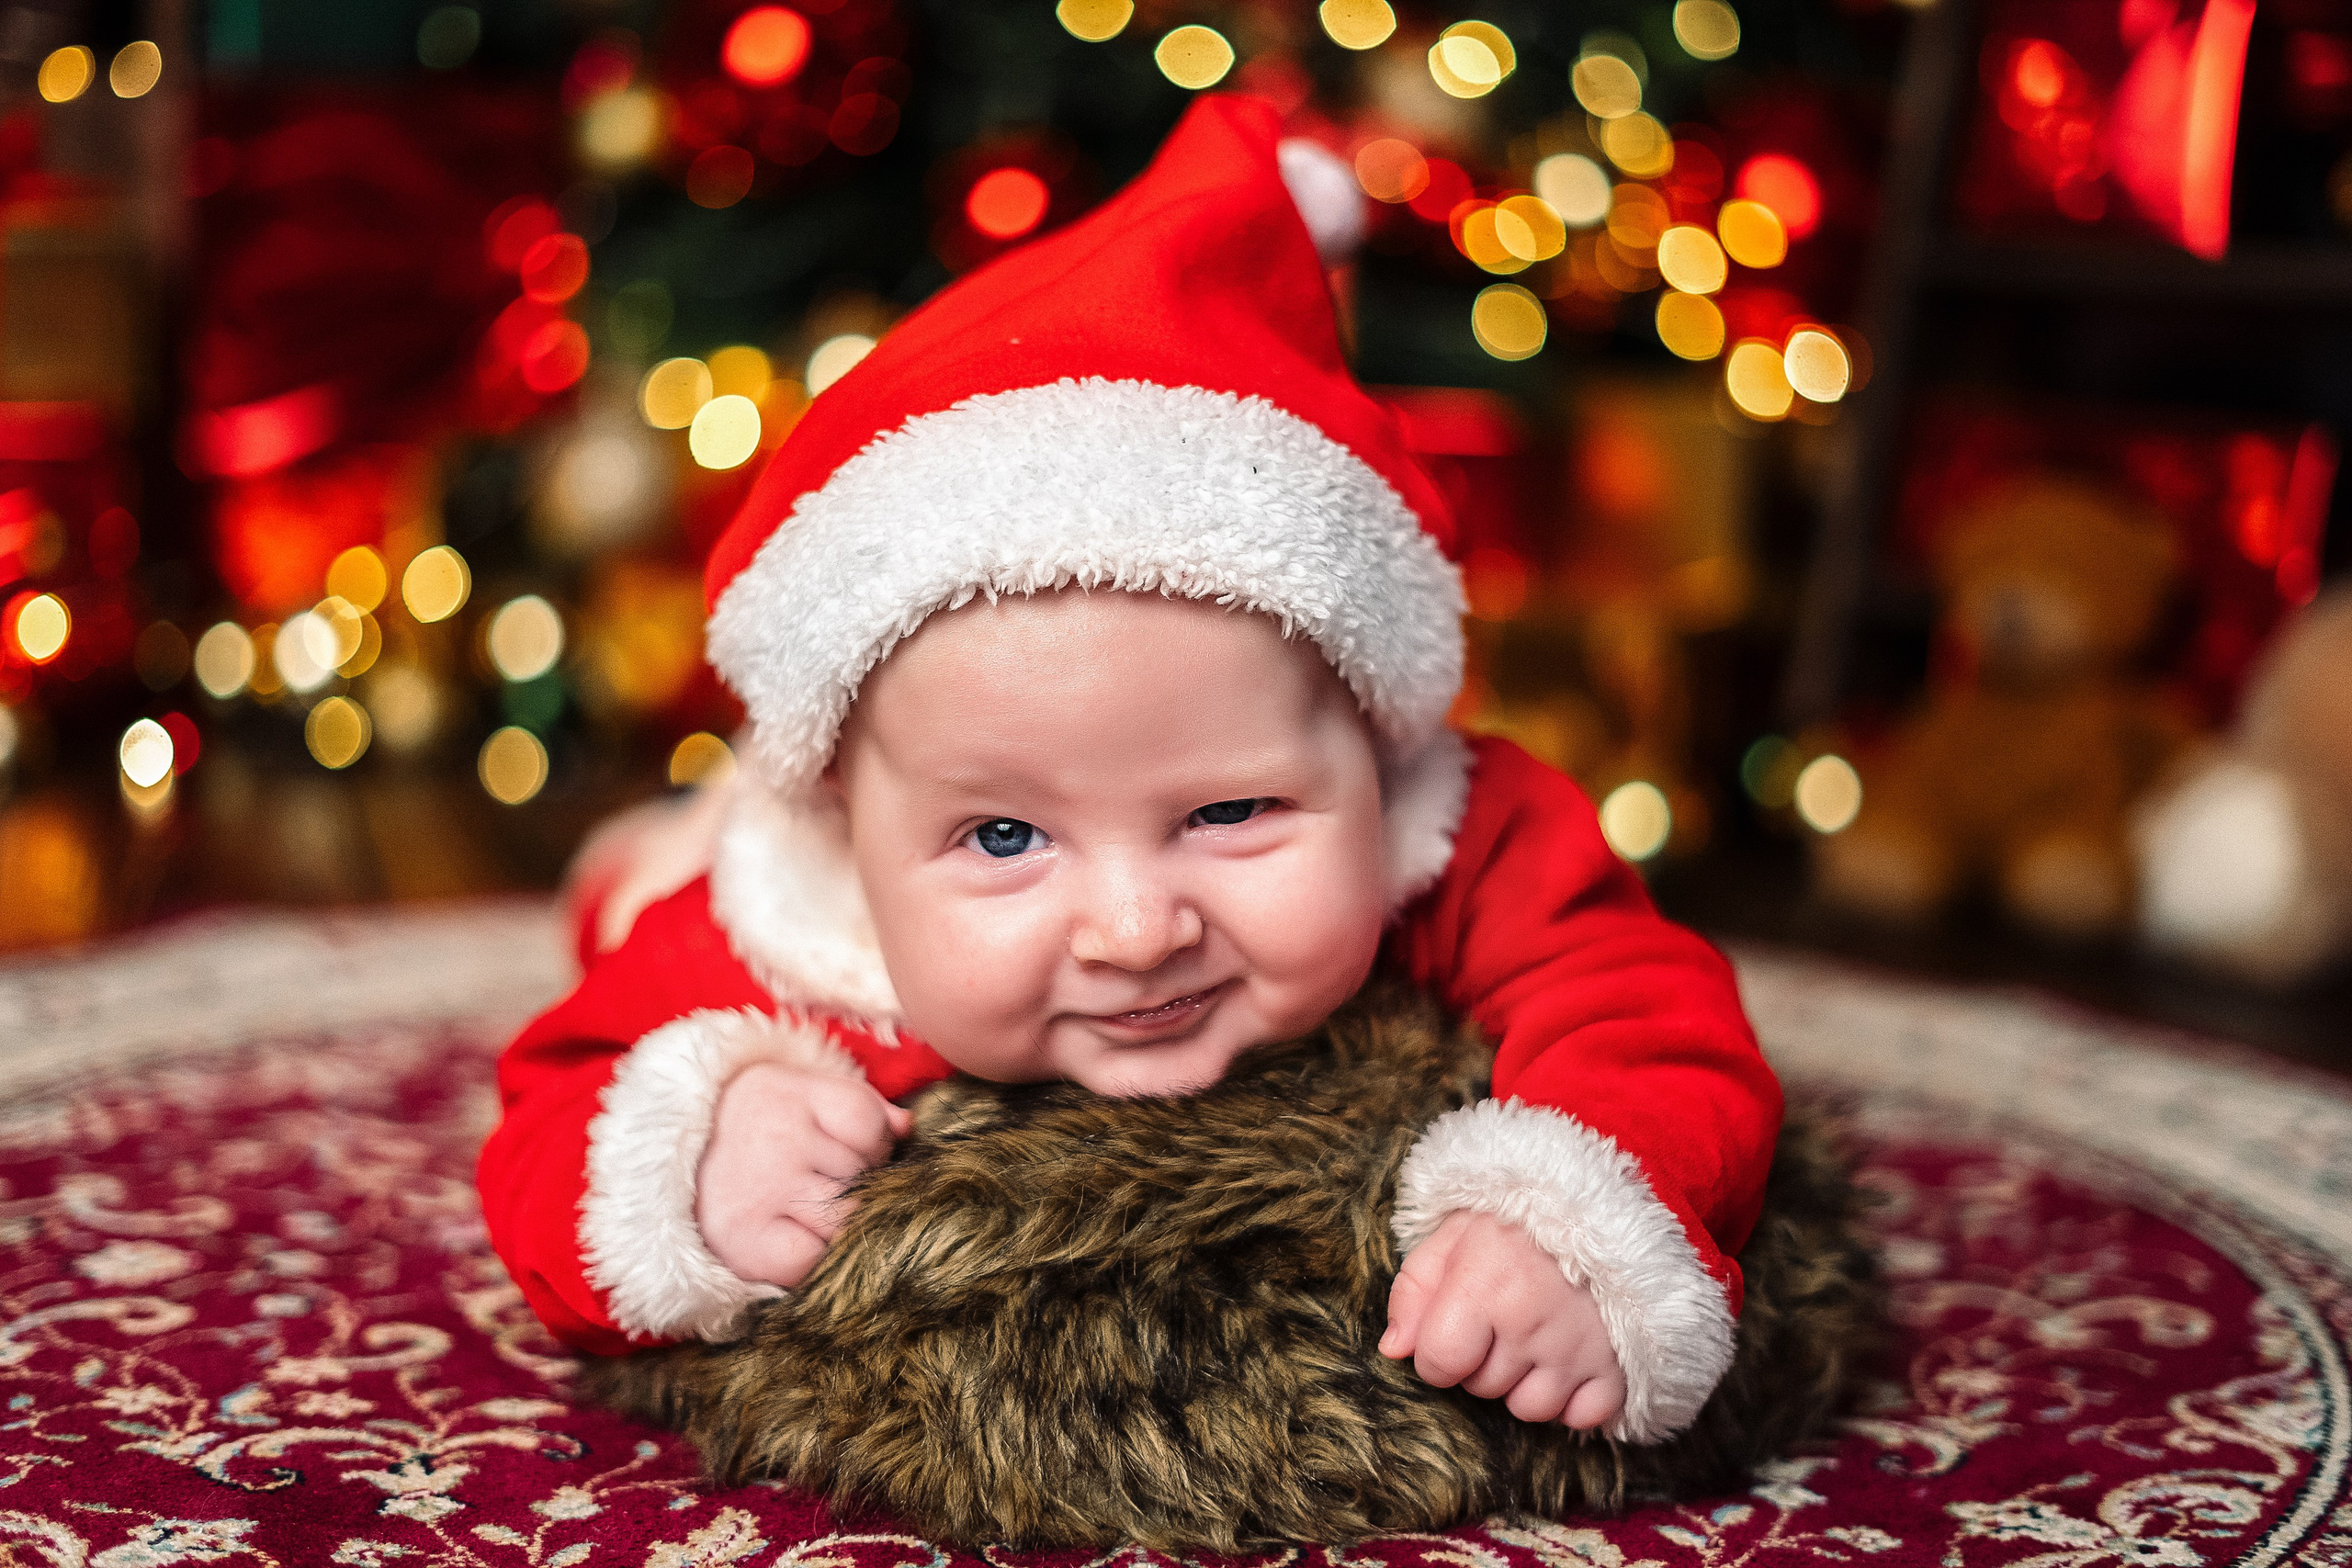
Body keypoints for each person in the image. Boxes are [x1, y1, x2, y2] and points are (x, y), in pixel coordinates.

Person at [479, 94, 1780, 1449]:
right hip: (718, 837)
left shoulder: (1467, 821)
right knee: (638, 897)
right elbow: (549, 1121)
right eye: (1002, 839)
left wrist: (1576, 1225)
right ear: (847, 823)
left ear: (1373, 736)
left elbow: (1647, 1004)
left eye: (1226, 812)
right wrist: (690, 1160)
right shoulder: (790, 910)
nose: (1136, 929)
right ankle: (645, 846)